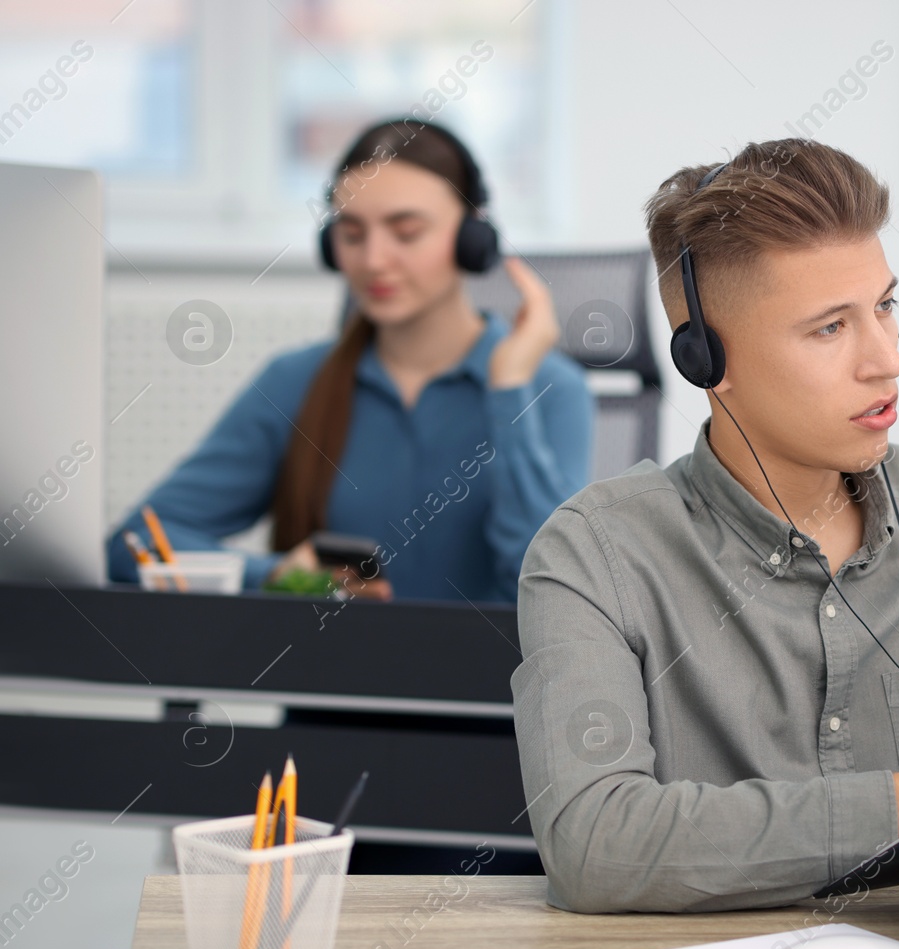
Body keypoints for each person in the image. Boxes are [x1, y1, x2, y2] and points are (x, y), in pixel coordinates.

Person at [511, 139, 899, 913]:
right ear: (707, 360)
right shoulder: (594, 556)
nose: (887, 361)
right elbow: (596, 844)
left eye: (884, 307)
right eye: (829, 329)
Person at [106, 119, 594, 603]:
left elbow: (551, 591)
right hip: (329, 673)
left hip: (478, 677)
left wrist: (510, 392)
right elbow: (137, 544)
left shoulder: (549, 388)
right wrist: (273, 575)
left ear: (472, 241)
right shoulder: (294, 382)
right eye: (352, 234)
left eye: (406, 233)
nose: (374, 260)